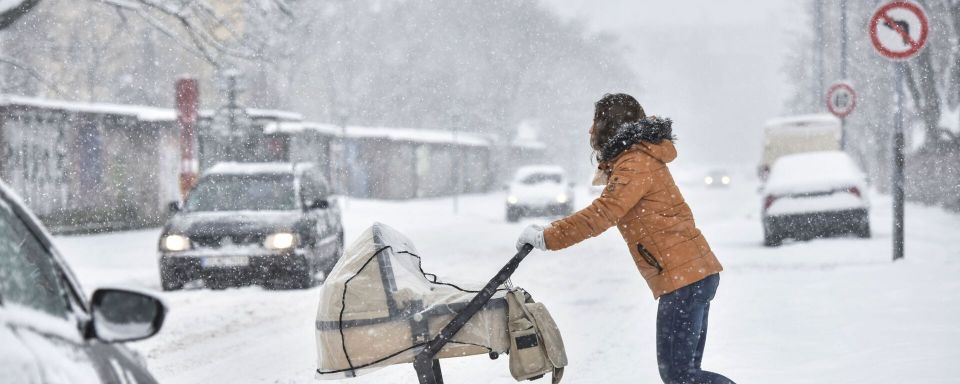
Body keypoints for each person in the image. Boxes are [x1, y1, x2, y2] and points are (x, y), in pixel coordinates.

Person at [516, 93, 734, 384]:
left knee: (680, 375)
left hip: (685, 280)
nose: (590, 129)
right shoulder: (633, 158)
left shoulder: (635, 162)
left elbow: (602, 213)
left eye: (595, 122)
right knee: (684, 375)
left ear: (611, 124)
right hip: (691, 275)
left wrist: (547, 236)